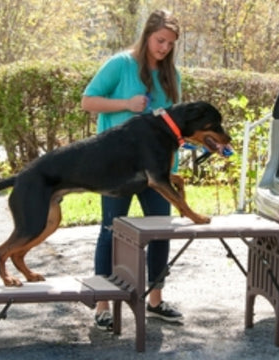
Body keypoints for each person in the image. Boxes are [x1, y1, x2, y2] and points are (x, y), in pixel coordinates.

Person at [81, 9, 183, 331]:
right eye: (160, 40)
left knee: (160, 230)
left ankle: (155, 299)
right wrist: (126, 104)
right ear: (147, 35)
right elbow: (88, 101)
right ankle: (102, 304)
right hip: (116, 169)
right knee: (111, 230)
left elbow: (171, 125)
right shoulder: (120, 65)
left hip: (157, 171)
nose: (164, 48)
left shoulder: (170, 75)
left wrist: (174, 165)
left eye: (170, 43)